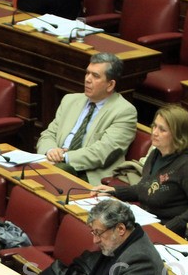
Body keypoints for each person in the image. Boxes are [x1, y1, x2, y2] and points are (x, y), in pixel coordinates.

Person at [91, 104, 188, 236]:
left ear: (178, 135)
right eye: (154, 126)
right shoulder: (156, 154)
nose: (154, 132)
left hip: (167, 231)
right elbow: (145, 188)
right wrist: (114, 191)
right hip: (145, 221)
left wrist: (171, 226)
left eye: (162, 130)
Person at [36, 53, 137, 185]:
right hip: (52, 161)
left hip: (87, 172)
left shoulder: (124, 111)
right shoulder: (70, 100)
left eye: (95, 76)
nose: (87, 79)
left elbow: (102, 153)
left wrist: (64, 157)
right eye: (87, 73)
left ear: (110, 85)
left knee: (47, 176)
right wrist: (51, 151)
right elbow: (48, 134)